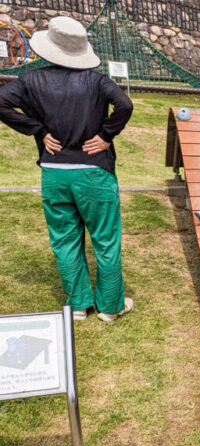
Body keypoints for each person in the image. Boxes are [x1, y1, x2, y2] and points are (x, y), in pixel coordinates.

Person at [0, 16, 134, 322]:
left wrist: (37, 129)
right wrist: (105, 135)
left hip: (55, 172)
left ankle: (78, 305)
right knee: (105, 239)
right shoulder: (98, 81)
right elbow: (124, 105)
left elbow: (2, 103)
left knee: (64, 238)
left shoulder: (30, 80)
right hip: (93, 172)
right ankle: (111, 307)